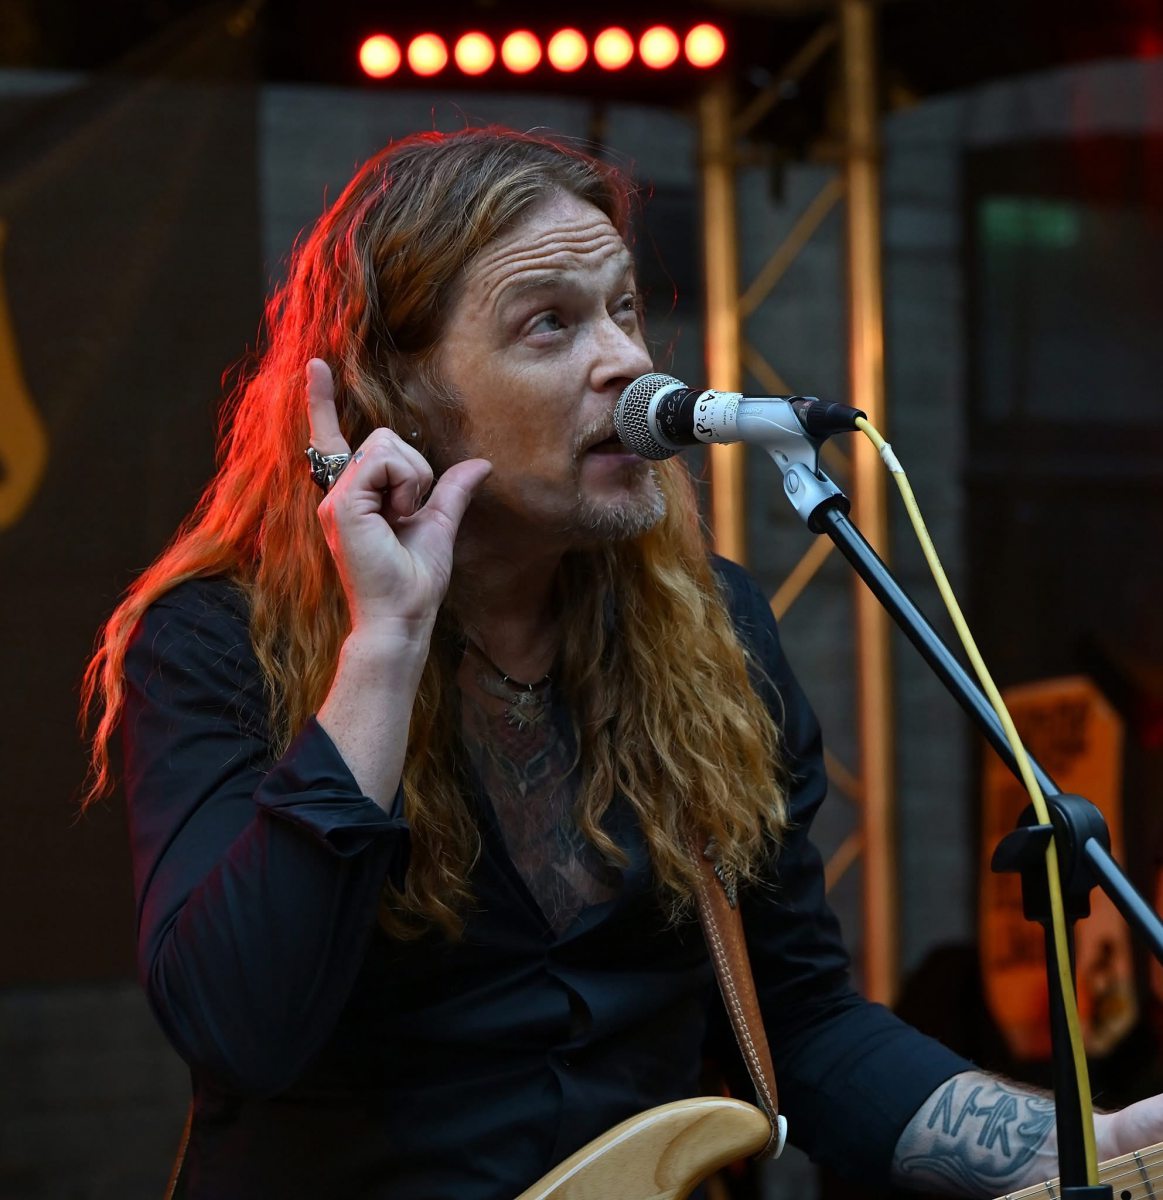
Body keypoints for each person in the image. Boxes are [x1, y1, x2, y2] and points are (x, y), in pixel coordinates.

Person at [82, 127, 1162, 1199]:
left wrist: (1095, 1146)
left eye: (625, 308)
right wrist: (386, 646)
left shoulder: (712, 631)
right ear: (397, 394)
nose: (630, 361)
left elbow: (805, 1025)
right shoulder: (219, 641)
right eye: (548, 323)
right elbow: (239, 1029)